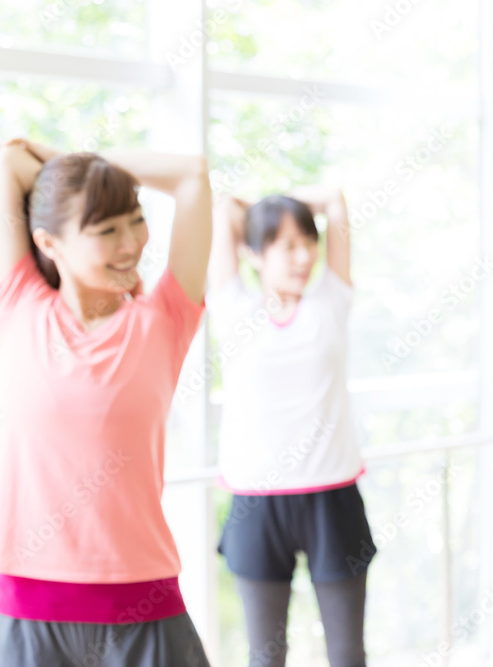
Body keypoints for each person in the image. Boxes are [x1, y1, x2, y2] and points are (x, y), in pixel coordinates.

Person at [0, 137, 213, 666]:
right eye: (106, 229)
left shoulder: (162, 319)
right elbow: (9, 162)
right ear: (49, 242)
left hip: (143, 607)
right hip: (27, 613)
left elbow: (193, 173)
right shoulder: (17, 305)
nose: (131, 243)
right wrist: (81, 177)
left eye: (135, 220)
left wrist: (94, 173)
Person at [206, 188, 375, 667]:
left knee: (347, 656)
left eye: (309, 241)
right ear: (253, 253)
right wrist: (265, 207)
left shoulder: (330, 301)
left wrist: (291, 205)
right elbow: (226, 210)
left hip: (332, 496)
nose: (304, 257)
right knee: (266, 658)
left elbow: (339, 203)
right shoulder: (234, 306)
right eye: (286, 245)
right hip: (256, 506)